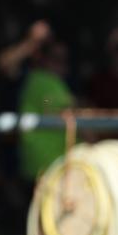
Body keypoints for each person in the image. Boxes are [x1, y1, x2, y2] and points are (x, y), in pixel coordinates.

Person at [18, 35, 75, 183]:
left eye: (64, 59)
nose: (61, 64)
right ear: (43, 59)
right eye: (55, 59)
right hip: (52, 166)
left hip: (44, 166)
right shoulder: (46, 81)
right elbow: (71, 115)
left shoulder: (35, 80)